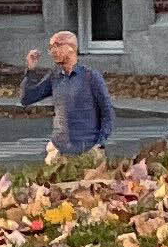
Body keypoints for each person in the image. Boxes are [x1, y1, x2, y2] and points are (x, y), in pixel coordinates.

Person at [19, 27, 115, 158]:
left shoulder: (90, 76)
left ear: (71, 48)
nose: (53, 51)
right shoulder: (55, 76)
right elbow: (27, 99)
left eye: (57, 45)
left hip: (87, 149)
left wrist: (99, 143)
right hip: (59, 149)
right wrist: (30, 70)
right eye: (50, 47)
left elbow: (107, 111)